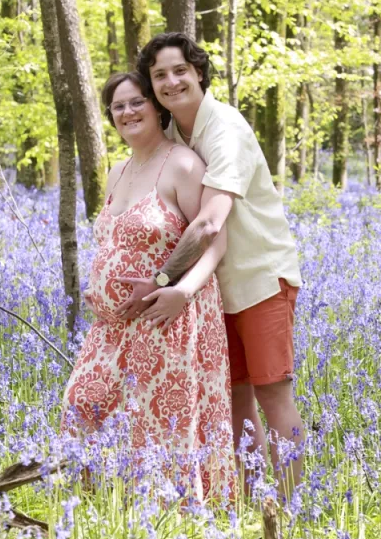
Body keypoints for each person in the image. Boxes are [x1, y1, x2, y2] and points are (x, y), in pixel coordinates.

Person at [119, 33, 304, 500]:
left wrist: (163, 280)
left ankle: (295, 511)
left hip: (260, 279)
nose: (171, 81)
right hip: (214, 290)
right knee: (234, 399)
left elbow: (207, 223)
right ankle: (258, 506)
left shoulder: (223, 128)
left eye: (179, 70)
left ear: (198, 72)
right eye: (159, 74)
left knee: (272, 396)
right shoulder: (178, 132)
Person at [61, 71, 234, 499]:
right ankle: (97, 512)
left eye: (136, 102)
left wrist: (180, 291)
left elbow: (216, 237)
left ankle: (174, 526)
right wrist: (101, 285)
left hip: (167, 318)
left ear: (157, 107)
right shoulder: (117, 170)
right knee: (81, 404)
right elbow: (116, 240)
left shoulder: (183, 164)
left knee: (160, 428)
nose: (127, 112)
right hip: (113, 325)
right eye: (118, 107)